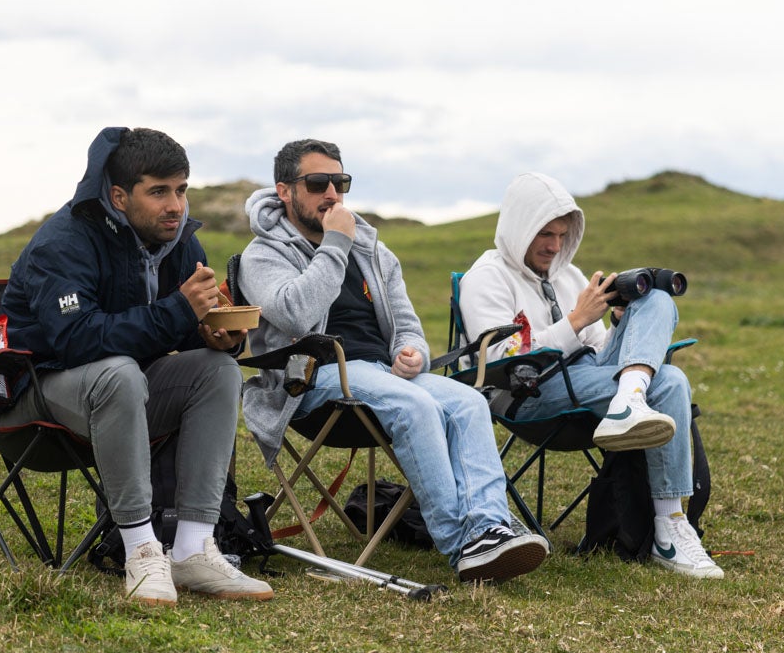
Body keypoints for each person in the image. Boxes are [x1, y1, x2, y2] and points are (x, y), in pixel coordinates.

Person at [237, 139, 548, 584]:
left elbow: (407, 324)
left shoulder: (375, 252)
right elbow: (296, 314)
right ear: (284, 191)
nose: (332, 194)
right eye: (318, 183)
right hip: (313, 380)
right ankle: (461, 543)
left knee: (468, 404)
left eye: (340, 182)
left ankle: (488, 529)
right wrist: (336, 242)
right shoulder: (264, 253)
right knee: (414, 405)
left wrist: (412, 352)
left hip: (382, 375)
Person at [0, 127, 273, 606]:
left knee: (216, 370)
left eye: (181, 190)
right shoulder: (62, 242)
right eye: (158, 191)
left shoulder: (180, 243)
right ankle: (141, 550)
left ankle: (192, 547)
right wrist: (181, 311)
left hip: (120, 397)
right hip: (33, 399)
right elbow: (78, 340)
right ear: (119, 196)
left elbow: (168, 331)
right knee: (118, 371)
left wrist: (211, 334)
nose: (176, 206)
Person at [458, 172, 722, 579]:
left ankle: (670, 524)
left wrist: (619, 325)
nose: (554, 245)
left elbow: (599, 349)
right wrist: (576, 319)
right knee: (669, 383)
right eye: (544, 233)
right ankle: (665, 523)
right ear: (518, 226)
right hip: (530, 392)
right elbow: (497, 360)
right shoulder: (486, 277)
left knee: (657, 305)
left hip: (589, 383)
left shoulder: (569, 275)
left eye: (562, 234)